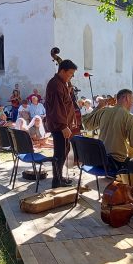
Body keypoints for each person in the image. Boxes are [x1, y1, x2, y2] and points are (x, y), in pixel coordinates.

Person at [81, 88, 133, 186]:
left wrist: (99, 106)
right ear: (126, 98)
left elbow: (86, 123)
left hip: (99, 160)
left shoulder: (104, 110)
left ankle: (127, 187)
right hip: (115, 163)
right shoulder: (129, 117)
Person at [45, 59, 78, 188]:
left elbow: (64, 102)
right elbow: (57, 107)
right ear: (62, 71)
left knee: (63, 151)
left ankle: (59, 177)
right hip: (59, 126)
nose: (71, 76)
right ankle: (57, 180)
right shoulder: (56, 85)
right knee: (59, 153)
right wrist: (63, 126)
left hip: (62, 125)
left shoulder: (60, 84)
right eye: (70, 73)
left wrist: (68, 92)